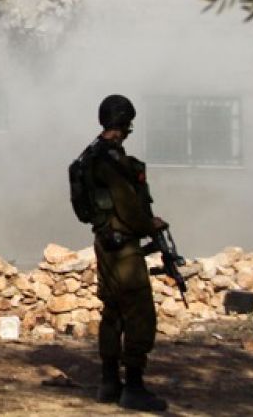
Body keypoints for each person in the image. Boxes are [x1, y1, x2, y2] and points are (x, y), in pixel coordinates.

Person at [89, 94, 168, 412]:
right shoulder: (112, 161)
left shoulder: (90, 156)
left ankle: (109, 382)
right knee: (139, 314)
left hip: (105, 243)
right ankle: (133, 386)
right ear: (122, 123)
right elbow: (130, 209)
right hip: (124, 250)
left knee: (112, 313)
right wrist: (152, 225)